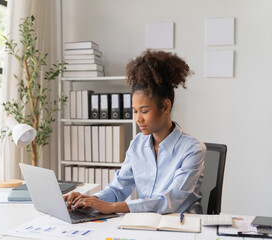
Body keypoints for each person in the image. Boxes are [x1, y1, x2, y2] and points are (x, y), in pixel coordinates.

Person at [64, 50, 206, 215]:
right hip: (144, 224)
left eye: (144, 111)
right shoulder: (137, 144)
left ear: (165, 106)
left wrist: (113, 207)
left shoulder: (192, 149)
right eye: (135, 111)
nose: (138, 118)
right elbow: (117, 189)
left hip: (180, 228)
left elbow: (171, 201)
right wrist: (89, 201)